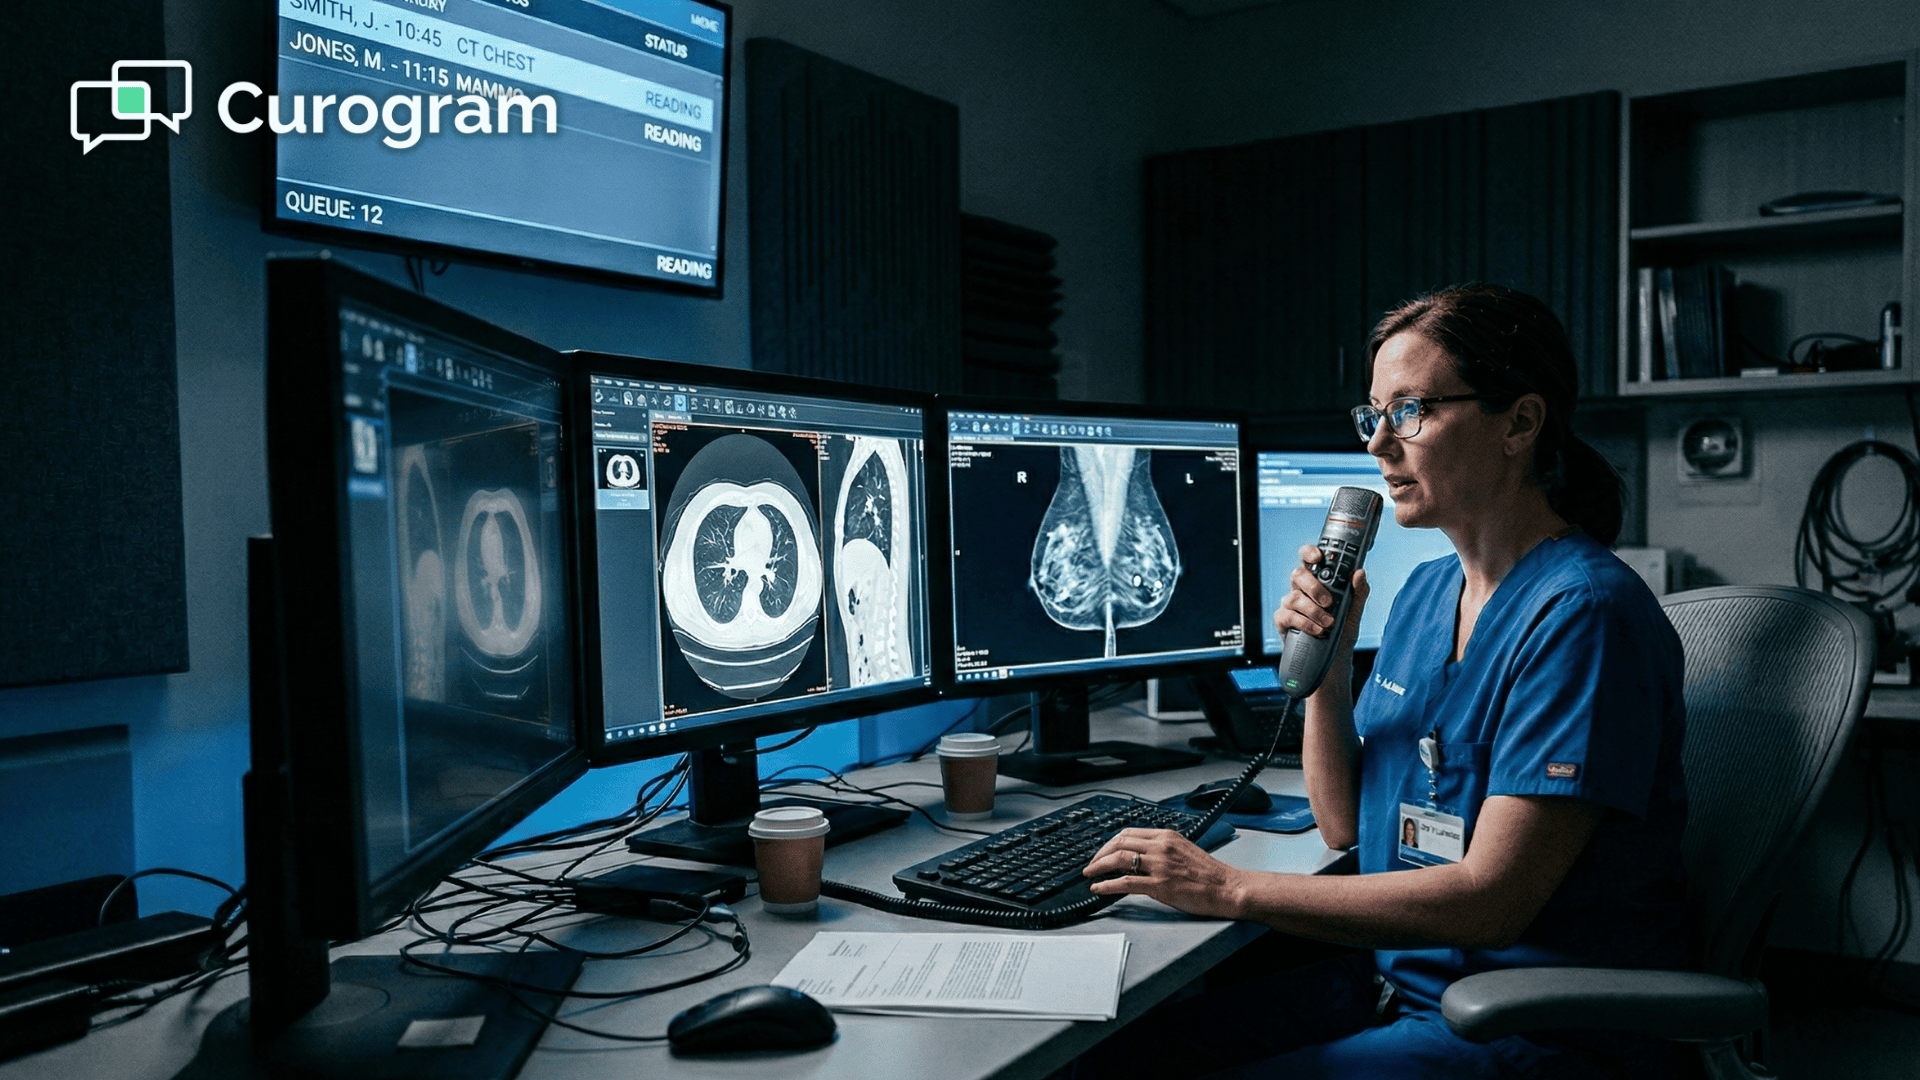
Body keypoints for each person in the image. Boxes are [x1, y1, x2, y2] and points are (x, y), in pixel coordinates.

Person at [1074, 284, 1689, 1079]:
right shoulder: (1429, 592)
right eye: (1374, 415)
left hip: (1533, 1025)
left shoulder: (1585, 615)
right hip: (1402, 982)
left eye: (1410, 411)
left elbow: (1491, 902)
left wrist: (1226, 887)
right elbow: (1344, 828)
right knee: (1113, 1058)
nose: (1378, 446)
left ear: (1520, 423)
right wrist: (1327, 661)